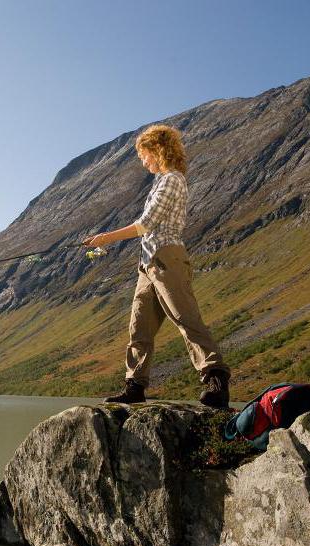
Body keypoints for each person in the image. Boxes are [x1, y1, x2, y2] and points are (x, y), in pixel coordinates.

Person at [82, 124, 230, 408]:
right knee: (139, 326)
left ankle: (216, 379)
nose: (143, 161)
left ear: (157, 150)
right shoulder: (161, 181)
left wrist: (106, 237)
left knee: (184, 317)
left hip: (167, 258)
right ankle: (135, 386)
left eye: (144, 154)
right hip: (148, 263)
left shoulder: (172, 179)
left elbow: (146, 224)